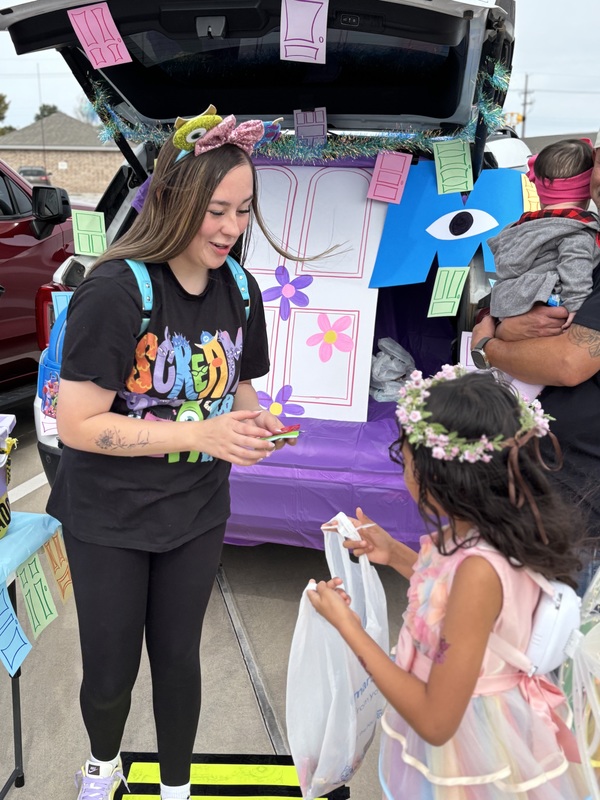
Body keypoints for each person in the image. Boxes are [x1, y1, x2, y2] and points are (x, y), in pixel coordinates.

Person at [48, 113, 299, 800]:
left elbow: (240, 389)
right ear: (172, 201)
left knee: (179, 659)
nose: (229, 227)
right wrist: (200, 434)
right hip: (108, 519)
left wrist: (254, 423)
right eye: (214, 210)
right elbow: (77, 423)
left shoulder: (240, 290)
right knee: (108, 669)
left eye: (242, 211)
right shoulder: (117, 290)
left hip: (195, 511)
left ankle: (177, 786)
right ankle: (102, 766)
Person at [308, 367, 588, 799]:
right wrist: (396, 553)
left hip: (474, 749)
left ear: (439, 476)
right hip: (466, 724)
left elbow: (436, 721)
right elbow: (446, 599)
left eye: (406, 457)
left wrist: (349, 627)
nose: (403, 467)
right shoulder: (474, 527)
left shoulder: (480, 570)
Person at [471, 138, 600, 593]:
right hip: (554, 482)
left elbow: (569, 361)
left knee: (552, 618)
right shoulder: (581, 236)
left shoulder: (531, 227)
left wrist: (491, 342)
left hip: (580, 493)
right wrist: (503, 331)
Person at [489, 137, 599, 329]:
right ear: (585, 188)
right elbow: (575, 263)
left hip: (507, 306)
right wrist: (576, 304)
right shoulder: (575, 229)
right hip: (548, 303)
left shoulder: (519, 228)